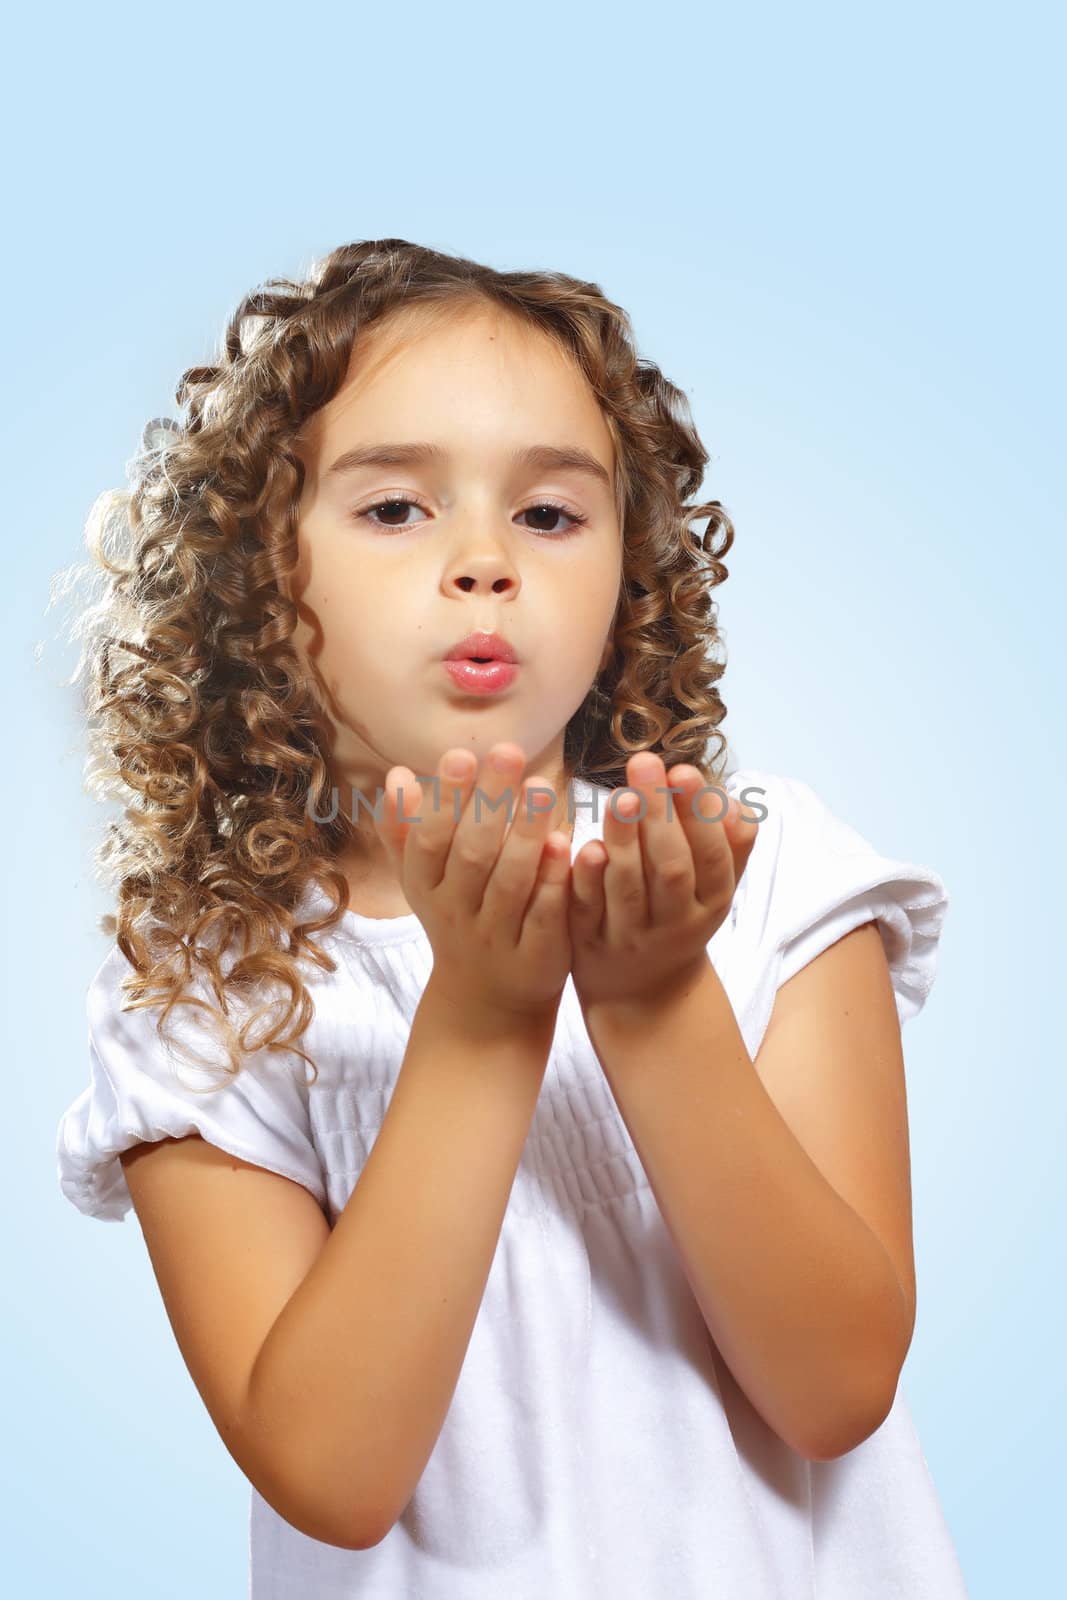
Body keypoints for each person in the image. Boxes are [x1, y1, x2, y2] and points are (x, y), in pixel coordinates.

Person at [55, 238, 969, 1598]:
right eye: (394, 509)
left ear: (627, 572)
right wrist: (483, 1017)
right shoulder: (214, 998)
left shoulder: (765, 881)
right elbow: (332, 1471)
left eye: (549, 514)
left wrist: (655, 1003)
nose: (484, 561)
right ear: (259, 578)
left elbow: (837, 1387)